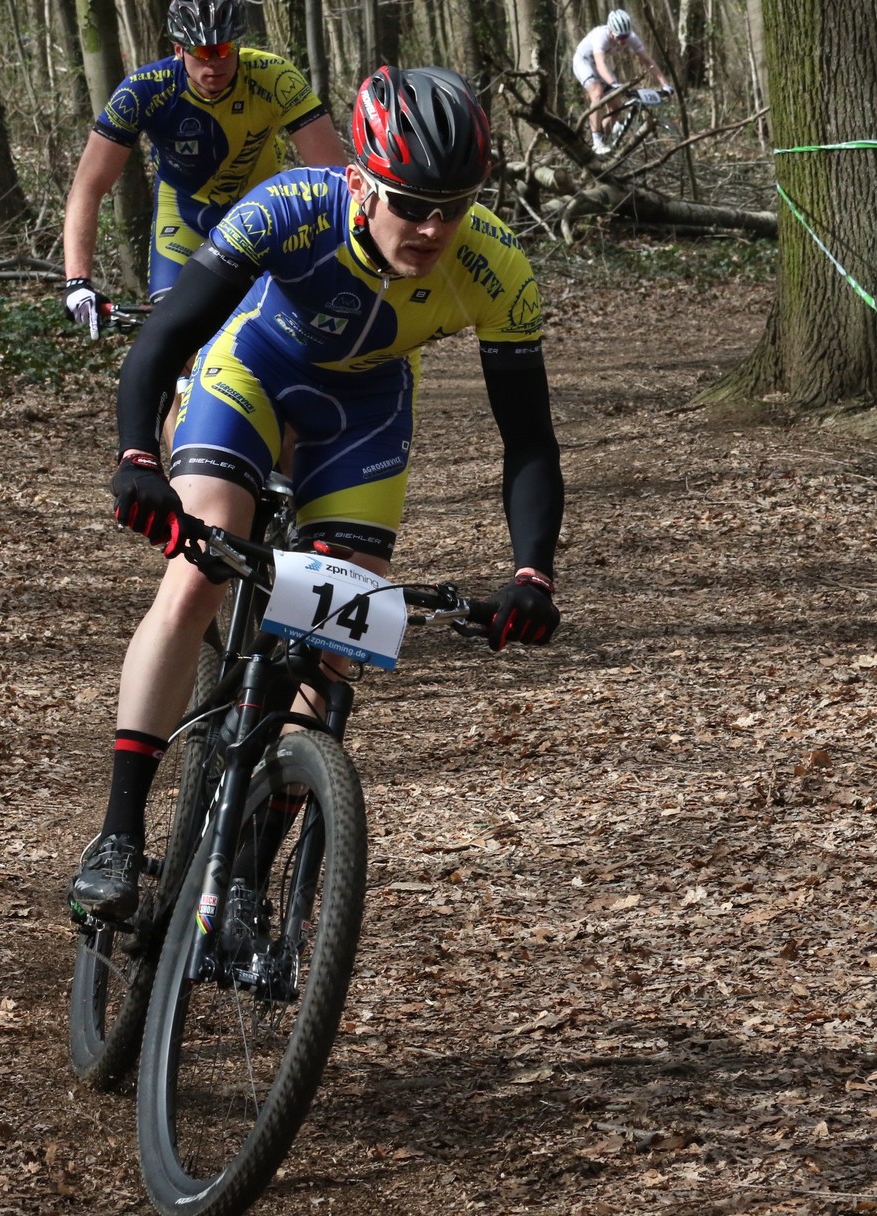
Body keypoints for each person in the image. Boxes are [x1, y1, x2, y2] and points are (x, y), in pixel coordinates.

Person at [69, 65, 565, 921]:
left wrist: (532, 573)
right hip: (250, 373)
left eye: (452, 205)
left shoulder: (494, 266)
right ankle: (118, 832)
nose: (432, 226)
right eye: (410, 203)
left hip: (361, 417)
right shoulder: (290, 208)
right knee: (200, 570)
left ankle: (252, 865)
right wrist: (137, 456)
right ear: (361, 180)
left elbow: (527, 441)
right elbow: (167, 337)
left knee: (335, 644)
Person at [63, 0, 346, 337]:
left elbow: (336, 181)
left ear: (239, 43)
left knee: (281, 335)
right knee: (175, 337)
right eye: (201, 50)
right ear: (179, 49)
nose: (215, 62)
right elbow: (88, 186)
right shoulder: (144, 90)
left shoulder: (275, 78)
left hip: (263, 215)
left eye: (225, 48)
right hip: (185, 217)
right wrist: (77, 281)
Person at [572, 9, 673, 155]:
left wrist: (665, 83)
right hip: (584, 61)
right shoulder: (600, 35)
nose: (623, 41)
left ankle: (604, 142)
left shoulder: (631, 37)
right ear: (611, 31)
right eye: (619, 37)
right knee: (597, 92)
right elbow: (600, 64)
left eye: (625, 36)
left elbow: (647, 61)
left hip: (600, 66)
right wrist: (614, 83)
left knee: (616, 107)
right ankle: (597, 142)